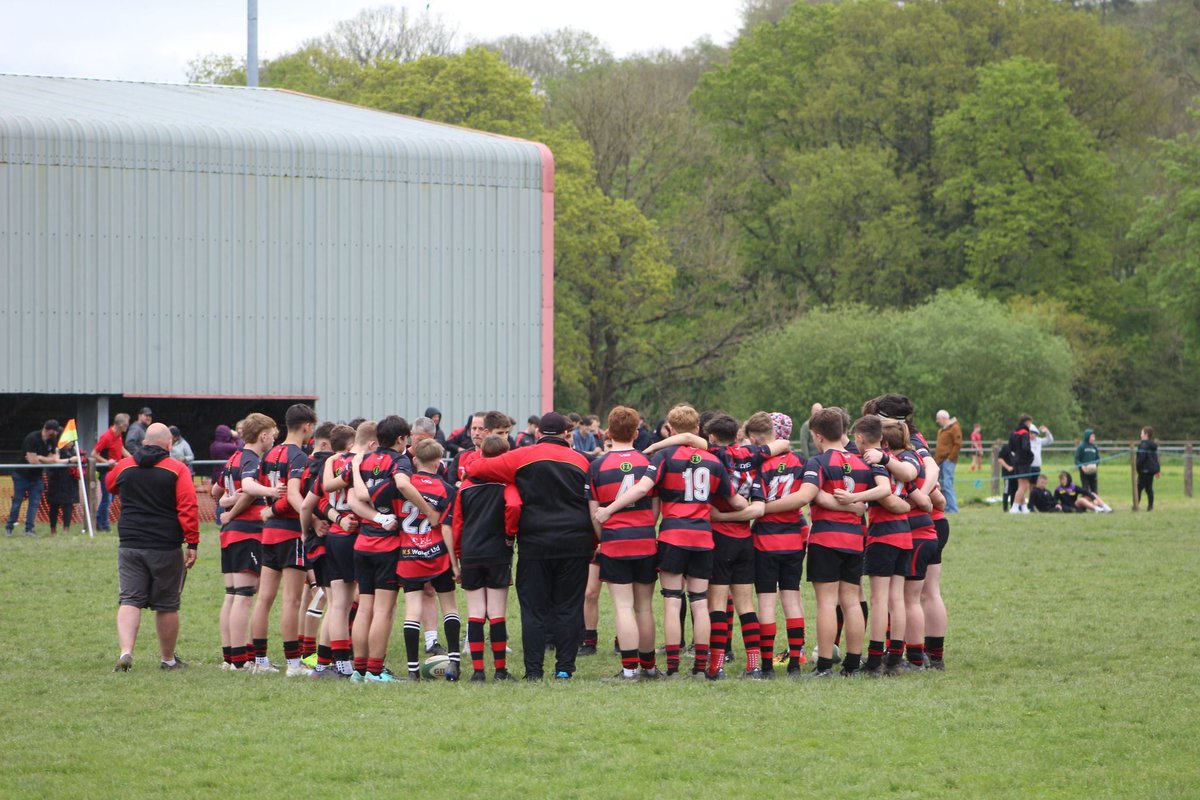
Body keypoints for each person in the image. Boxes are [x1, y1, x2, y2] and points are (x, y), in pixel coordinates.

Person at [596, 404, 747, 679]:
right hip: (703, 536)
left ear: (671, 430)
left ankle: (674, 667)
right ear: (698, 429)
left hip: (673, 535)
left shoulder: (664, 456)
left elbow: (643, 488)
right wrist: (751, 507)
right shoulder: (713, 460)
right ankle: (700, 667)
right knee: (700, 602)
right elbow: (735, 500)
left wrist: (609, 509)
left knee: (672, 601)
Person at [467, 411, 594, 681]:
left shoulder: (522, 456)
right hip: (575, 541)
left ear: (538, 433)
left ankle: (534, 671)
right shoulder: (582, 461)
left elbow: (476, 468)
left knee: (534, 608)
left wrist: (512, 479)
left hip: (535, 542)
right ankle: (564, 669)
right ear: (566, 435)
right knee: (569, 606)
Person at [107, 423, 199, 672]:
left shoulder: (125, 466)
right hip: (165, 545)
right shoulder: (177, 469)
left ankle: (126, 652)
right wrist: (192, 542)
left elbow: (110, 484)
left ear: (144, 442)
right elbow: (188, 507)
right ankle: (168, 660)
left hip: (130, 543)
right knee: (167, 604)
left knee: (129, 599)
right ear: (169, 444)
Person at [588, 406, 661, 681]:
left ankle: (630, 670)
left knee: (622, 606)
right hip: (644, 539)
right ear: (636, 431)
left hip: (614, 542)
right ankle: (650, 667)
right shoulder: (648, 462)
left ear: (608, 430)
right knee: (644, 606)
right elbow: (655, 507)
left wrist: (604, 535)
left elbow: (594, 512)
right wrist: (645, 526)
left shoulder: (597, 466)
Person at [255, 403, 318, 677]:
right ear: (306, 426)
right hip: (291, 532)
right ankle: (294, 664)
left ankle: (259, 661)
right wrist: (312, 520)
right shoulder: (299, 457)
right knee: (292, 600)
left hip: (268, 533)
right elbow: (292, 495)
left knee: (264, 599)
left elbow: (266, 491)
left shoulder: (270, 453)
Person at [212, 413, 277, 671]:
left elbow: (217, 491)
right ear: (262, 435)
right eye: (272, 434)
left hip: (230, 533)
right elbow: (249, 489)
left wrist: (226, 502)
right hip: (248, 531)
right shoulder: (251, 459)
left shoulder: (233, 458)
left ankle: (230, 658)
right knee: (244, 597)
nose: (273, 439)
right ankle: (241, 660)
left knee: (232, 595)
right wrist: (270, 491)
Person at [394, 439, 461, 681]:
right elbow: (447, 527)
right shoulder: (447, 489)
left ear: (414, 460)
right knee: (450, 606)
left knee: (412, 611)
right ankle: (454, 662)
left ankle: (412, 670)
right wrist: (455, 563)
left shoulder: (403, 485)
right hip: (439, 555)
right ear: (439, 462)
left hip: (409, 554)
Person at [455, 434, 518, 682]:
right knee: (497, 612)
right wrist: (510, 534)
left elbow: (457, 524)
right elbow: (514, 507)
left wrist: (459, 553)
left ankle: (478, 672)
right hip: (497, 551)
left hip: (470, 552)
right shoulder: (506, 484)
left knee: (475, 612)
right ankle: (500, 670)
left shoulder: (466, 486)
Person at [6, 420, 62, 537]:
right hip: (21, 475)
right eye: (55, 430)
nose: (56, 433)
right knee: (17, 502)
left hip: (37, 477)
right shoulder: (31, 438)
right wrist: (45, 460)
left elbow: (54, 458)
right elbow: (32, 461)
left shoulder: (52, 441)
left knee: (34, 503)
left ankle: (29, 529)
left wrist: (40, 457)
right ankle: (9, 527)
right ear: (49, 430)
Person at [93, 414, 131, 532]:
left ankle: (100, 521)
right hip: (106, 472)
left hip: (115, 471)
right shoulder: (106, 437)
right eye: (126, 424)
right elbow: (94, 454)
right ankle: (104, 525)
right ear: (120, 425)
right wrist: (106, 462)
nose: (127, 427)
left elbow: (121, 449)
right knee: (107, 498)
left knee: (111, 498)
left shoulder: (119, 435)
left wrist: (132, 459)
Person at [47, 439, 86, 536]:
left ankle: (66, 529)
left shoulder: (74, 451)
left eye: (72, 441)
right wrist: (70, 460)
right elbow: (55, 462)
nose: (71, 443)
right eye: (69, 441)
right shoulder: (55, 450)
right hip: (56, 481)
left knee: (68, 506)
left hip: (70, 483)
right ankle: (53, 530)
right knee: (54, 506)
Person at [934, 410, 961, 513]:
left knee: (947, 483)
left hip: (948, 461)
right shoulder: (942, 430)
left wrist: (950, 458)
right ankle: (947, 507)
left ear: (944, 418)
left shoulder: (954, 428)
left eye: (938, 419)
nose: (937, 421)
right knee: (942, 484)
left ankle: (953, 508)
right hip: (940, 460)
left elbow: (957, 444)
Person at [1007, 416, 1034, 514]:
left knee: (1020, 485)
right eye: (1030, 423)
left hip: (1016, 462)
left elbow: (1010, 448)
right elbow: (1026, 447)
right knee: (1024, 486)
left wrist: (1014, 459)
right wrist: (1031, 456)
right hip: (1024, 462)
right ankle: (1014, 507)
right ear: (1026, 422)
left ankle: (1024, 508)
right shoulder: (1025, 433)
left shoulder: (1013, 433)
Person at [1136, 427, 1160, 511]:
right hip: (1151, 470)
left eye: (1142, 433)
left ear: (1146, 435)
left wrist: (1137, 466)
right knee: (1149, 488)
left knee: (1138, 488)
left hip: (1144, 470)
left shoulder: (1143, 445)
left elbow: (1141, 458)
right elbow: (1155, 458)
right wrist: (1157, 470)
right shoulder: (1152, 445)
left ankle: (1136, 505)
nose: (1140, 435)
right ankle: (1150, 507)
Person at [1074, 429, 1101, 495]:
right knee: (1085, 489)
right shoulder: (1081, 446)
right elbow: (1076, 459)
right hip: (1084, 471)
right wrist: (1081, 466)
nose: (1093, 438)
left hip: (1093, 471)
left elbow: (1098, 458)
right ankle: (1085, 503)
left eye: (1094, 437)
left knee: (1094, 489)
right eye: (1092, 436)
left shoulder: (1095, 447)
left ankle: (1095, 502)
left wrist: (1096, 465)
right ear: (1087, 436)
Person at [1028, 422, 1053, 486]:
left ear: (1036, 434)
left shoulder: (1039, 441)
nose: (1031, 435)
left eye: (1032, 433)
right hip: (1027, 466)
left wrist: (1047, 431)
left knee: (1034, 484)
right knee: (1026, 484)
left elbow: (1050, 440)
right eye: (1029, 433)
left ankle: (1033, 496)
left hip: (1036, 466)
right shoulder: (1025, 441)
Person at [997, 442, 1016, 512]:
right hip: (1008, 474)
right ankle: (1005, 508)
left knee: (1015, 491)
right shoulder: (1006, 447)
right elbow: (1000, 459)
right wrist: (1008, 467)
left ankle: (1013, 507)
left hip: (1017, 473)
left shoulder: (1019, 447)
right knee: (1007, 491)